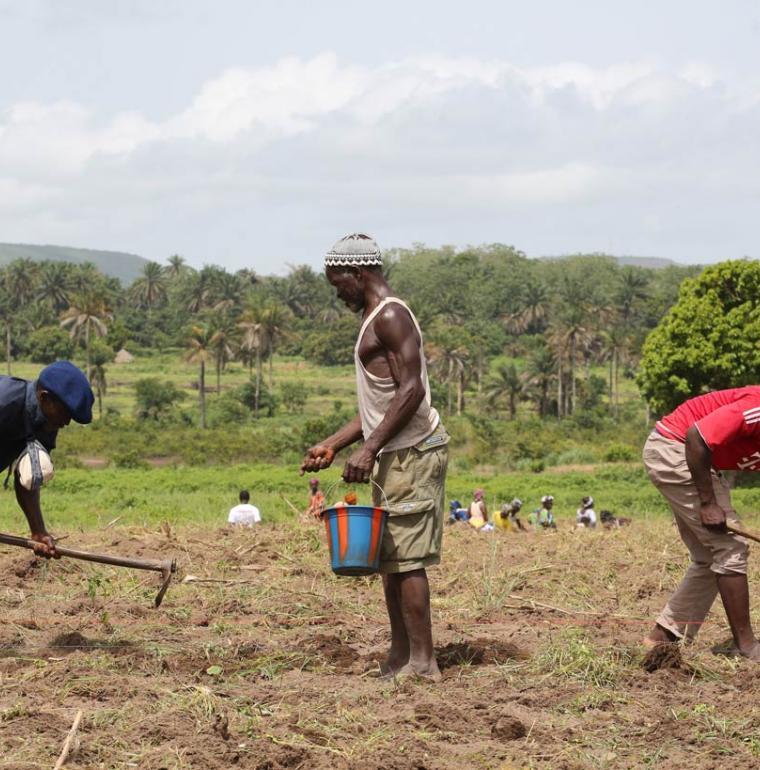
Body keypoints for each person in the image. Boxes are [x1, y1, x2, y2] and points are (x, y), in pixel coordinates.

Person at [301, 233, 449, 680]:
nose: (338, 293)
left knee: (406, 560)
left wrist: (369, 449)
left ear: (358, 274)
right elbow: (380, 406)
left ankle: (423, 662)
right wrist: (335, 443)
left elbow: (412, 391)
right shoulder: (373, 318)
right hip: (394, 450)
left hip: (413, 452)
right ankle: (399, 656)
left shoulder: (391, 317)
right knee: (390, 559)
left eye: (338, 283)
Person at [643, 387, 760, 660]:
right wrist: (708, 503)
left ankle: (663, 637)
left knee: (710, 556)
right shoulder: (758, 406)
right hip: (676, 447)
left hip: (683, 453)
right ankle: (746, 645)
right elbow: (697, 437)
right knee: (730, 547)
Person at [0, 361, 94, 557]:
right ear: (45, 399)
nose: (66, 423)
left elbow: (28, 477)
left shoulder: (45, 423)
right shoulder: (4, 402)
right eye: (65, 413)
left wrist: (38, 532)